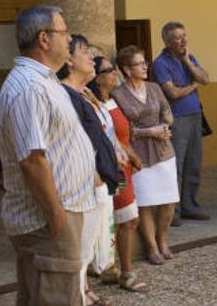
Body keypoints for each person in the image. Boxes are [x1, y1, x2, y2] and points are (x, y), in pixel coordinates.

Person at [0, 5, 96, 305]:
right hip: (46, 218)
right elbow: (32, 160)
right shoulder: (29, 87)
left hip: (58, 212)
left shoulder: (45, 81)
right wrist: (57, 217)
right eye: (64, 32)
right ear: (44, 38)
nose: (69, 39)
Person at [57, 35, 119, 306]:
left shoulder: (81, 94)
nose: (92, 58)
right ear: (69, 60)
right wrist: (94, 175)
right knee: (80, 250)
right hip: (85, 183)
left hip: (96, 181)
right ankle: (78, 296)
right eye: (85, 52)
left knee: (85, 248)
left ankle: (82, 291)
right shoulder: (65, 95)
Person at [87, 56, 150, 292]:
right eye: (109, 70)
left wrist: (131, 156)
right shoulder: (93, 104)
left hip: (123, 168)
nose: (115, 73)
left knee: (123, 218)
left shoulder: (111, 100)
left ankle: (115, 268)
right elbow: (107, 138)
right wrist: (131, 156)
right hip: (113, 169)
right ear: (97, 77)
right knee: (127, 218)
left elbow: (120, 134)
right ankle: (125, 272)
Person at [112, 45, 178, 266]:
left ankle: (163, 240)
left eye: (144, 63)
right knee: (146, 203)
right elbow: (119, 128)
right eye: (140, 64)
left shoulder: (154, 88)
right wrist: (147, 132)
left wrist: (165, 126)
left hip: (163, 150)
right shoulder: (118, 94)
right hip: (137, 154)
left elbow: (167, 113)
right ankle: (151, 247)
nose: (144, 67)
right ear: (127, 69)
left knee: (168, 201)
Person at [153, 21, 211, 226]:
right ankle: (173, 211)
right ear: (168, 42)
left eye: (184, 35)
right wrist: (192, 85)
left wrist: (188, 62)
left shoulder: (190, 58)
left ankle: (190, 206)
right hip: (176, 119)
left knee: (194, 163)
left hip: (195, 116)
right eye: (178, 37)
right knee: (175, 166)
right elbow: (173, 93)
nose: (183, 40)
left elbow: (206, 78)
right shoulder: (160, 63)